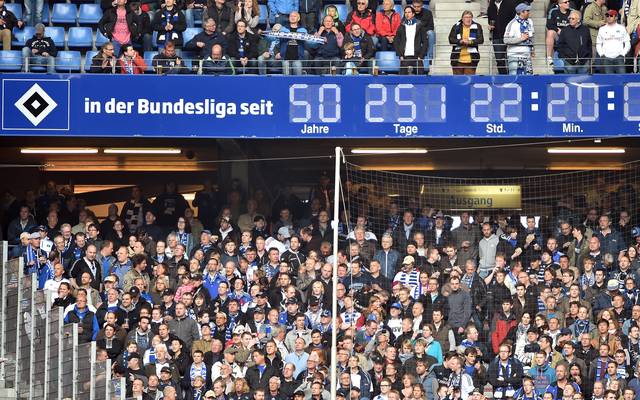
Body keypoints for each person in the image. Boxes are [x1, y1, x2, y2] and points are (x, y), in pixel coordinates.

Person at [394, 6, 428, 75]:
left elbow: (425, 42)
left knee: (420, 80)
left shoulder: (420, 25)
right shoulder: (401, 26)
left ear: (413, 14)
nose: (407, 14)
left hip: (417, 57)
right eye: (405, 12)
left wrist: (421, 56)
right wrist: (400, 55)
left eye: (409, 12)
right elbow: (396, 41)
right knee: (402, 81)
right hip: (404, 57)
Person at [448, 10, 484, 74]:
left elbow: (481, 40)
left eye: (470, 17)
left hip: (471, 60)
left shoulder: (477, 26)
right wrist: (460, 41)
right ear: (462, 19)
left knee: (469, 82)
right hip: (457, 60)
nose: (468, 19)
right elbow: (451, 39)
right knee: (458, 82)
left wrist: (470, 42)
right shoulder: (456, 27)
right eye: (466, 17)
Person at [504, 2, 535, 75]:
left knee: (529, 79)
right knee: (514, 79)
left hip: (527, 55)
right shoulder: (512, 24)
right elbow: (506, 40)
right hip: (514, 55)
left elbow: (531, 36)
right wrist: (521, 39)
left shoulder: (530, 21)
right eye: (527, 11)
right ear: (521, 12)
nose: (529, 12)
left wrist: (532, 49)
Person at [487, 0, 517, 74]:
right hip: (496, 37)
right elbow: (490, 21)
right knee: (499, 60)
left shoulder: (510, 4)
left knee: (511, 59)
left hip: (509, 37)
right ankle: (503, 78)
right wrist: (490, 26)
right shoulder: (490, 7)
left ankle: (512, 78)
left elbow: (515, 20)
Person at [546, 0, 572, 66]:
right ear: (560, 4)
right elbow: (549, 24)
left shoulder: (572, 12)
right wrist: (557, 30)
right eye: (565, 2)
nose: (568, 3)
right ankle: (549, 57)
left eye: (568, 1)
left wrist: (564, 32)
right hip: (558, 36)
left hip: (569, 35)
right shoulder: (553, 11)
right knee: (550, 32)